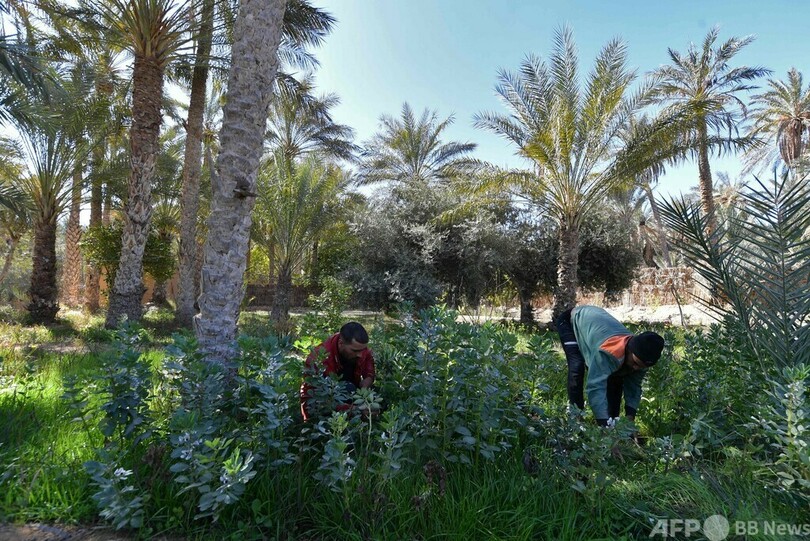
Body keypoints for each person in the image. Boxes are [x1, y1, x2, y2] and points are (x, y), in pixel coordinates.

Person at [556, 305, 664, 426]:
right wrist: (603, 424)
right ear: (629, 350)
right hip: (571, 320)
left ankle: (612, 422)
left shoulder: (642, 360)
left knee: (617, 376)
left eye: (641, 366)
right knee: (577, 367)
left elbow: (634, 388)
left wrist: (629, 420)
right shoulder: (608, 353)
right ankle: (576, 419)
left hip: (597, 328)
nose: (636, 368)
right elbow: (595, 387)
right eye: (635, 363)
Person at [300, 321, 376, 421]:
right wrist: (354, 410)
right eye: (355, 351)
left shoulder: (358, 347)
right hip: (322, 406)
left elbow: (368, 360)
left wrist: (369, 378)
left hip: (349, 393)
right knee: (349, 388)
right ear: (341, 343)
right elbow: (318, 399)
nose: (361, 354)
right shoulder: (318, 359)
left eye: (363, 350)